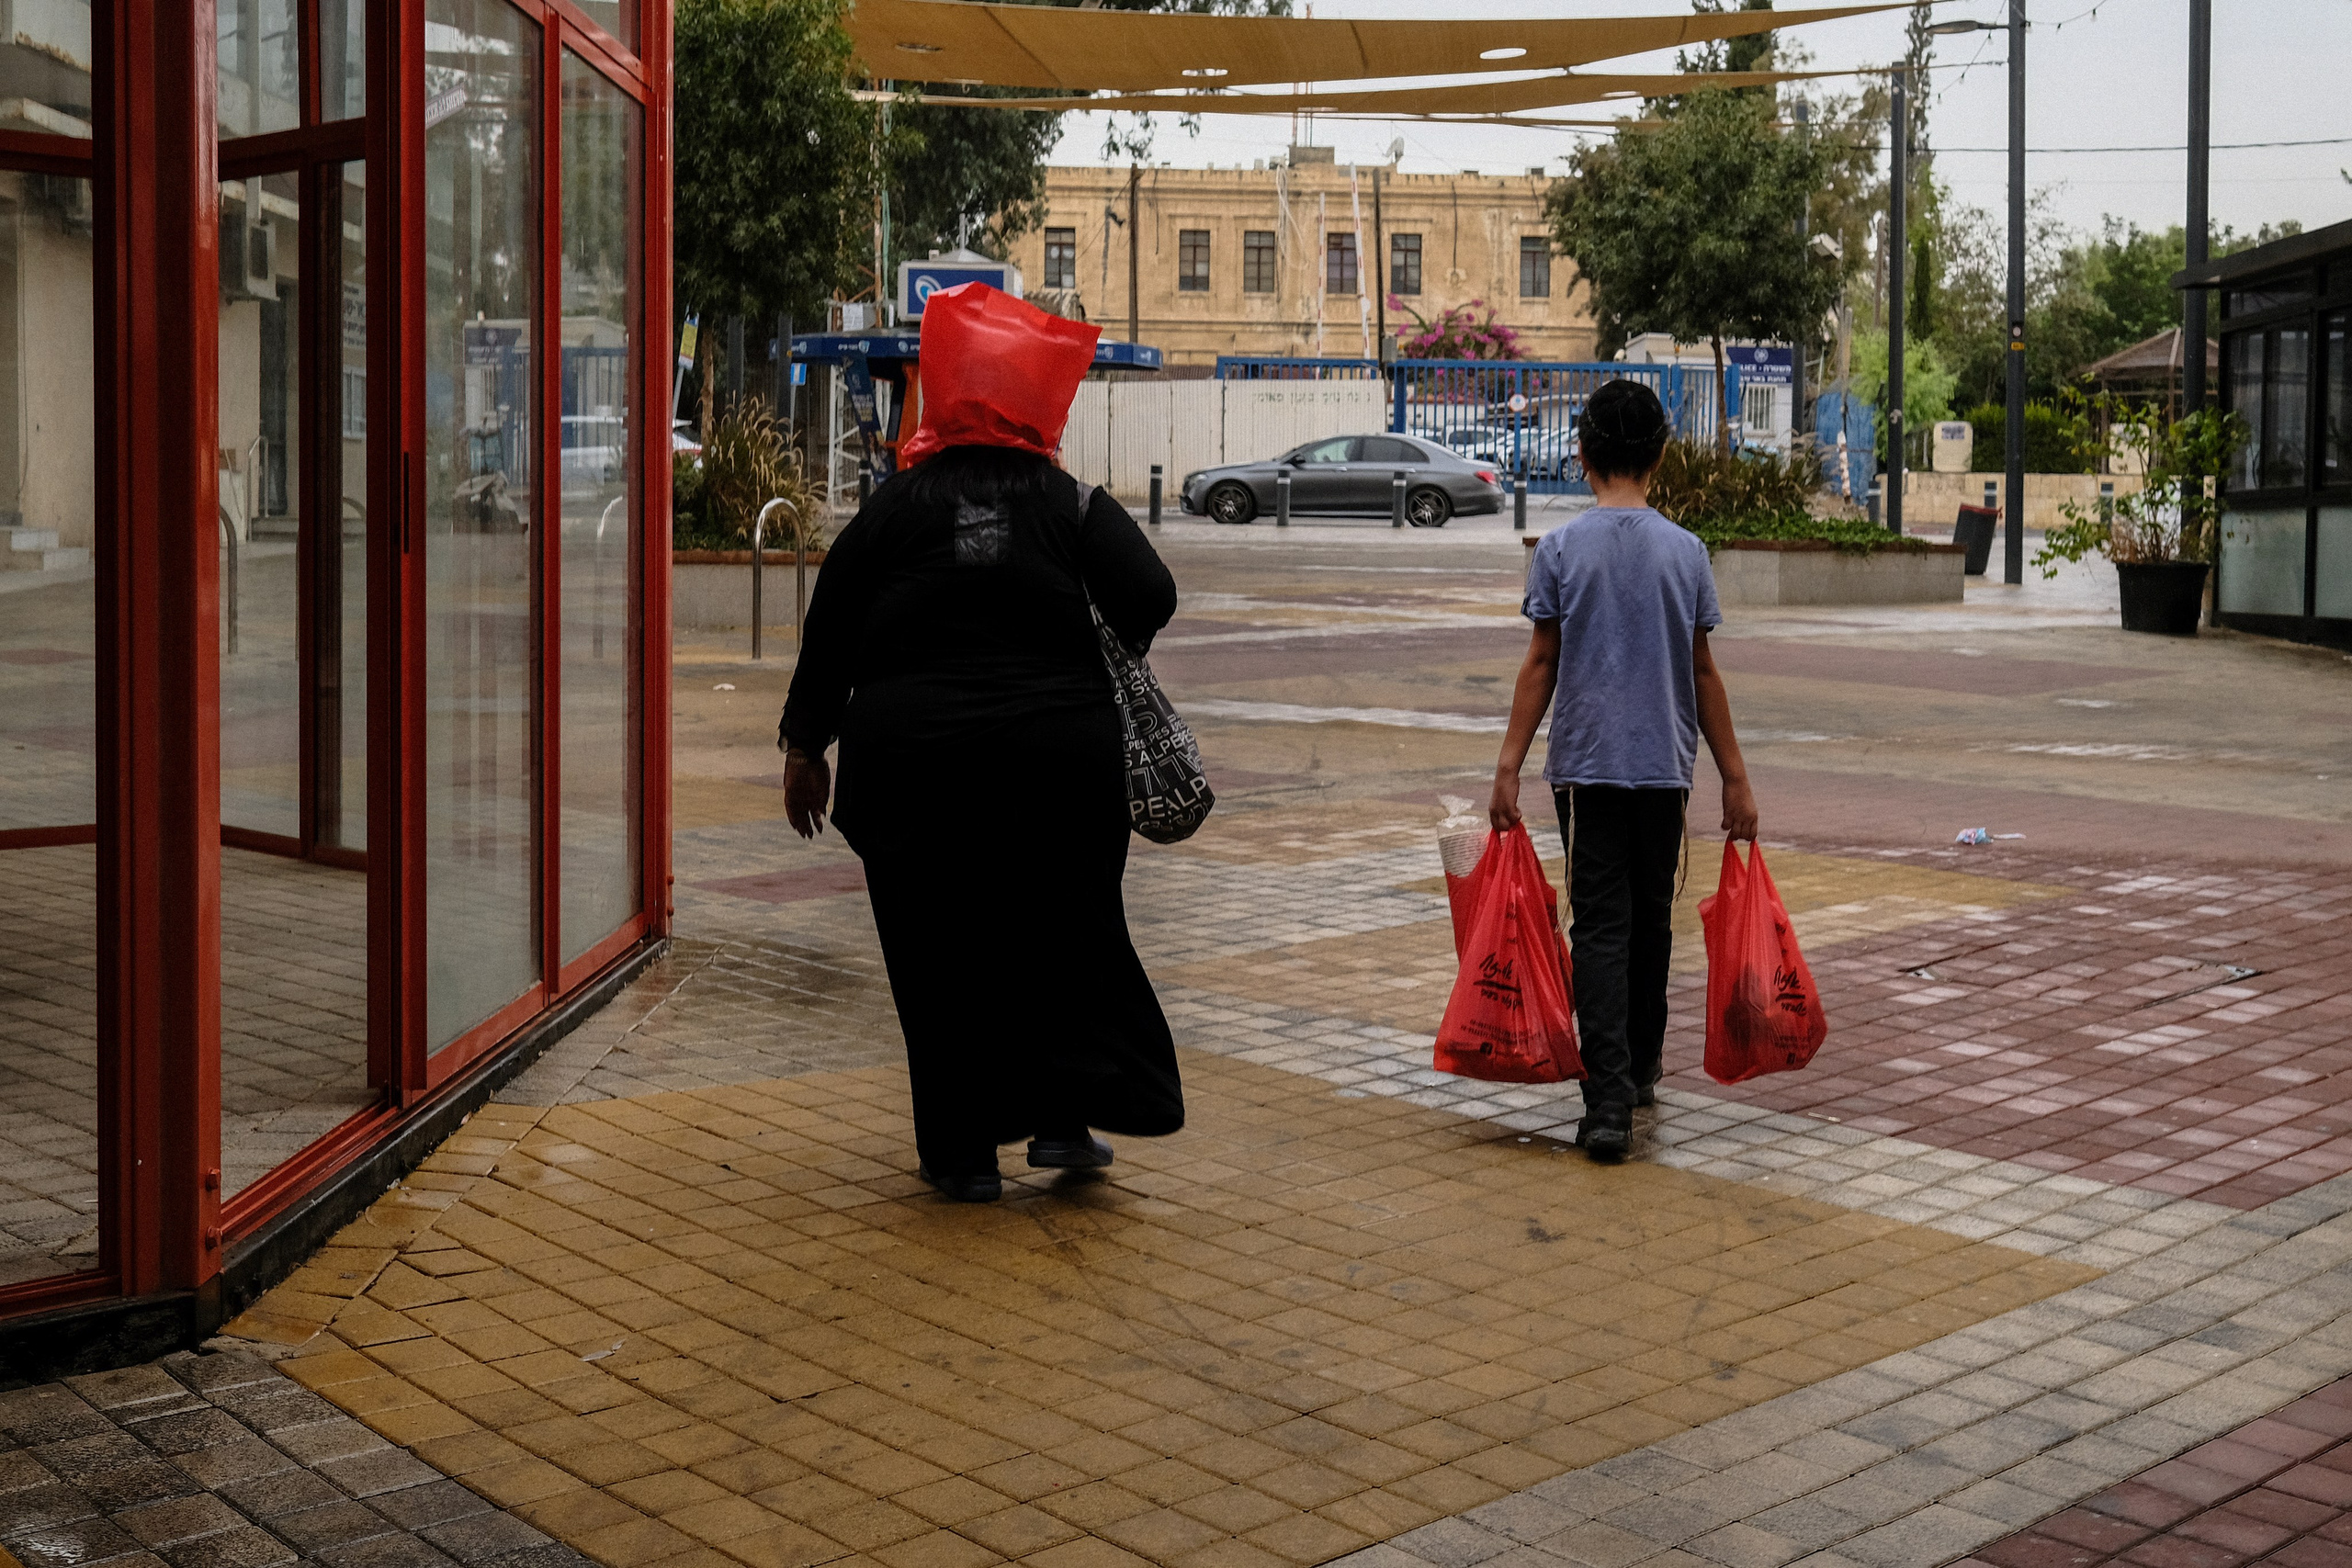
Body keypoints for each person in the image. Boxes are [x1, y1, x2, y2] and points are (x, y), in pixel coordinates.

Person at [777, 340, 1183, 1205]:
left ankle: (963, 1156)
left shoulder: (896, 507)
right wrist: (1088, 639)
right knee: (1061, 940)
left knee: (936, 957)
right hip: (1057, 771)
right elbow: (1152, 592)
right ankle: (1062, 1122)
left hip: (912, 773)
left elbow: (830, 622)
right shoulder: (1072, 504)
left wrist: (805, 749)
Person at [1488, 378, 1758, 1164]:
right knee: (1649, 922)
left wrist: (1507, 766)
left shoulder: (1561, 549)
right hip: (1664, 771)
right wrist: (1735, 776)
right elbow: (1703, 673)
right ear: (1661, 456)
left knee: (1600, 928)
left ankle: (1606, 1103)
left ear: (1581, 454)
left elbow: (1542, 662)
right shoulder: (1687, 552)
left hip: (1588, 772)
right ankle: (1638, 1070)